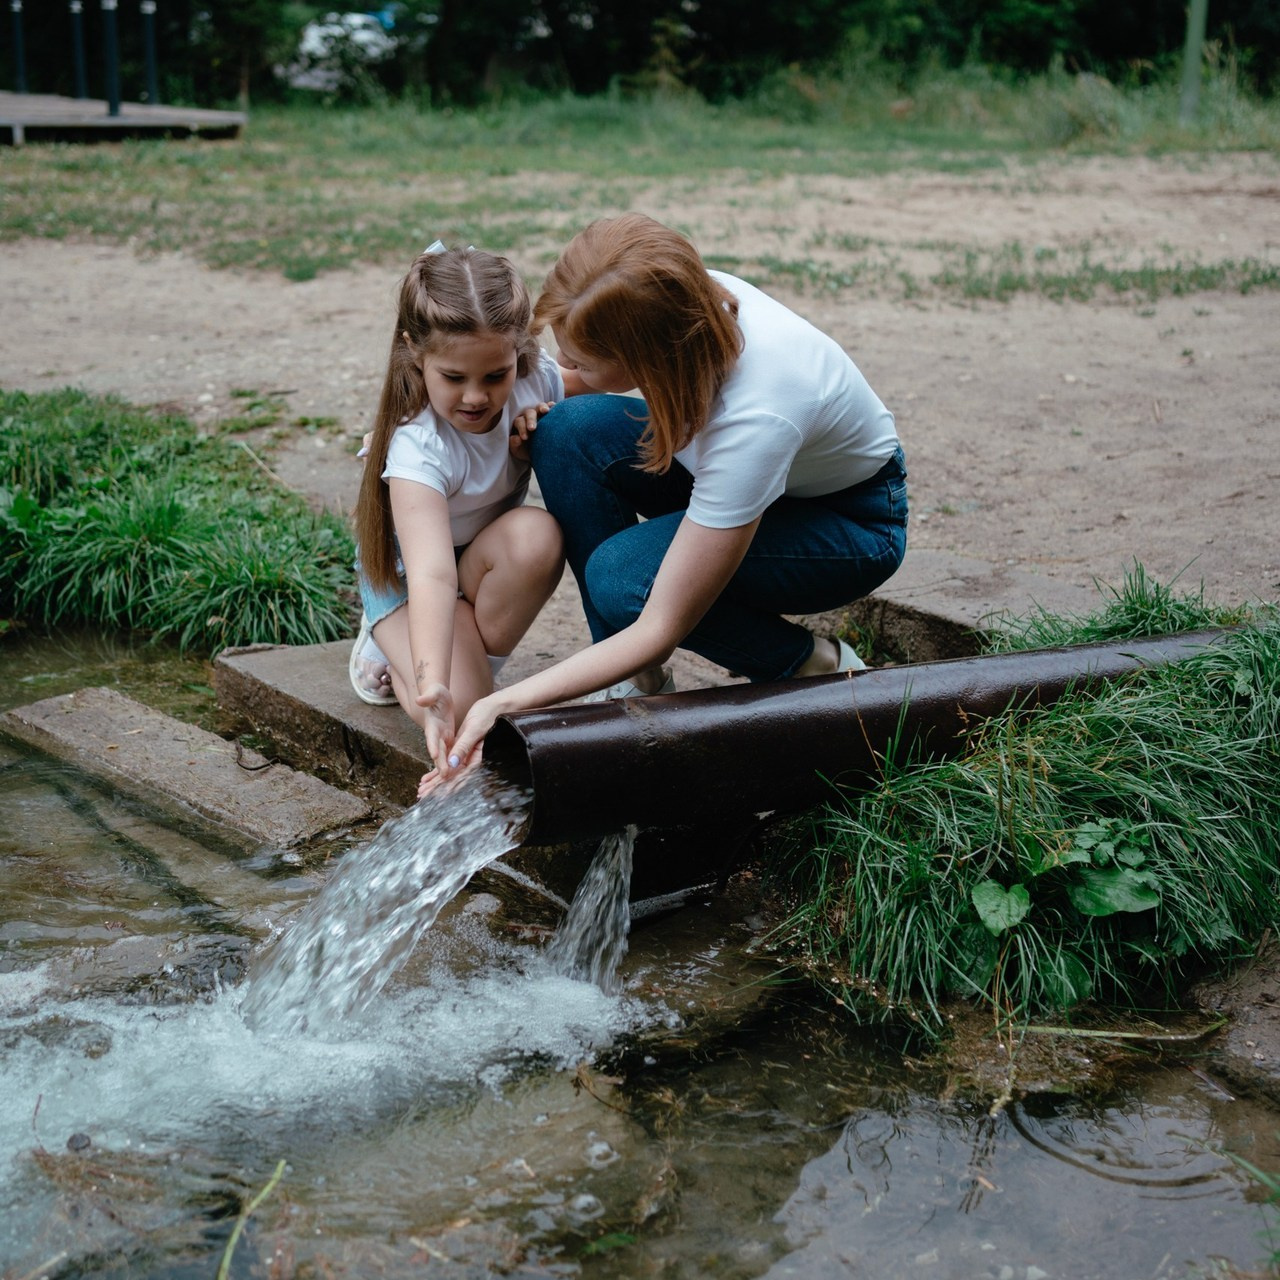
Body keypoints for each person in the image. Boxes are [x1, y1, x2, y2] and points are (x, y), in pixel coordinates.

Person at [430, 211, 908, 785]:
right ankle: (633, 682)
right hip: (754, 480)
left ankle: (809, 663)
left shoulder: (758, 416)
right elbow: (564, 390)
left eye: (581, 361)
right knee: (564, 431)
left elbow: (661, 624)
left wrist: (505, 703)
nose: (564, 369)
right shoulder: (678, 304)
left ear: (646, 361)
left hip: (848, 524)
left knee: (624, 580)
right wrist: (427, 431)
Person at [351, 242, 567, 770]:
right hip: (409, 578)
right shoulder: (417, 444)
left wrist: (550, 417)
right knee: (462, 709)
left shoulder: (534, 380)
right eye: (454, 378)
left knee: (538, 537)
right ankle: (391, 644)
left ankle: (462, 650)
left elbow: (600, 379)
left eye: (495, 376)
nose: (476, 397)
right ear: (414, 352)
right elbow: (431, 573)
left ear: (518, 352)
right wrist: (435, 687)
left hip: (478, 561)